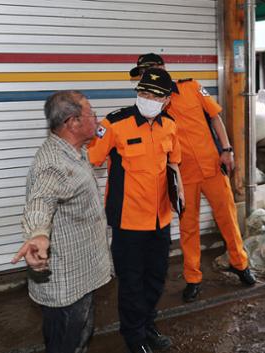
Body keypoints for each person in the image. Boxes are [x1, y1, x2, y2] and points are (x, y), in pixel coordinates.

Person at [127, 53, 255, 305]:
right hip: (182, 174)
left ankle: (240, 264)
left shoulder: (192, 87)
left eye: (150, 69)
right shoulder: (148, 104)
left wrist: (227, 150)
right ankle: (193, 278)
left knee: (227, 218)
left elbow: (215, 117)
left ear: (162, 68)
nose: (147, 75)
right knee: (188, 228)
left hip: (212, 165)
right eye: (143, 72)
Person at [88, 68, 182, 353]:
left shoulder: (170, 125)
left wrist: (181, 200)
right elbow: (89, 159)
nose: (148, 98)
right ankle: (134, 336)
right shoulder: (115, 123)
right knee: (131, 283)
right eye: (143, 92)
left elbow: (174, 164)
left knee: (155, 278)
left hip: (160, 219)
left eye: (155, 95)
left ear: (166, 101)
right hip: (128, 221)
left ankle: (148, 324)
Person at [11, 91, 112, 353]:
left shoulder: (75, 151)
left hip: (82, 275)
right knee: (65, 344)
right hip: (65, 286)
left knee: (81, 336)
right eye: (91, 114)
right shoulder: (53, 163)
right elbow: (40, 201)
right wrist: (37, 235)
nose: (97, 119)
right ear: (73, 122)